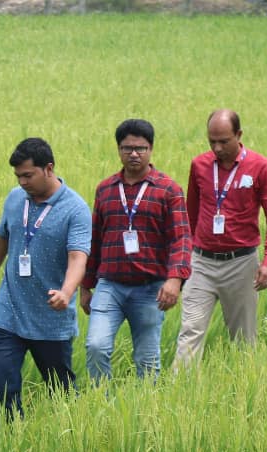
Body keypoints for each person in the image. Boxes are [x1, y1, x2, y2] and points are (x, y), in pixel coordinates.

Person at [0, 137, 92, 417]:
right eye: (18, 176)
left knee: (60, 389)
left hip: (50, 318)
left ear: (48, 168)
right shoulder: (16, 199)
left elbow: (78, 257)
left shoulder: (75, 209)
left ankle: (70, 434)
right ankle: (12, 437)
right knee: (1, 383)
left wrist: (66, 291)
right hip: (9, 312)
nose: (22, 182)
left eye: (28, 175)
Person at [174, 109, 267, 372]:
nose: (217, 147)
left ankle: (247, 391)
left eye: (224, 141)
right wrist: (183, 260)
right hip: (201, 262)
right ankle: (178, 393)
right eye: (211, 140)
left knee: (243, 339)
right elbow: (190, 217)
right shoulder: (199, 165)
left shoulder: (261, 168)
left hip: (241, 264)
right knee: (190, 332)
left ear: (239, 135)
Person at [80, 119, 192, 382]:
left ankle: (146, 412)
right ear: (118, 150)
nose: (133, 154)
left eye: (140, 148)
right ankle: (101, 405)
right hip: (110, 286)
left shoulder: (169, 190)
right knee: (96, 346)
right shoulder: (105, 189)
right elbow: (95, 239)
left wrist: (174, 280)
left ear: (151, 149)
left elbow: (182, 239)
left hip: (150, 288)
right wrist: (86, 285)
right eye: (127, 148)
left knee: (147, 359)